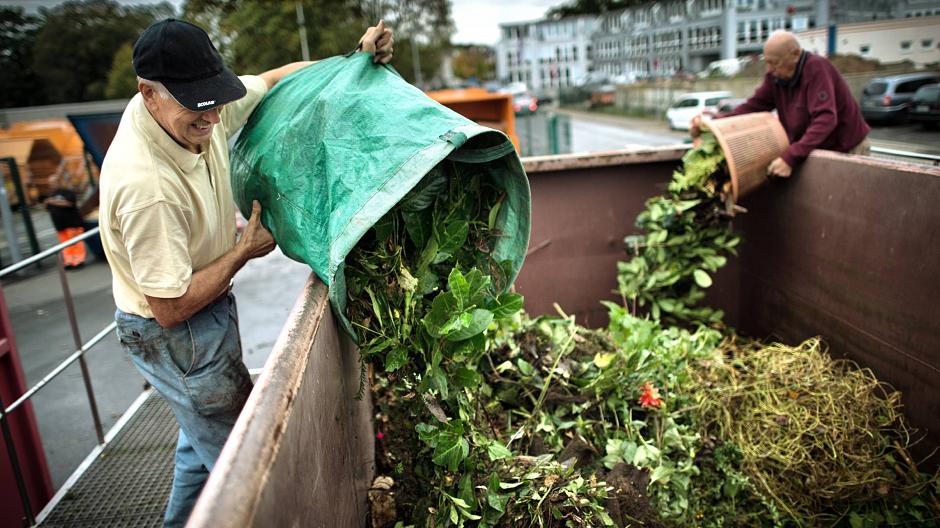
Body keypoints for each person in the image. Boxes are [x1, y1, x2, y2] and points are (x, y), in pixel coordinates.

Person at [97, 18, 393, 527]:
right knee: (244, 469)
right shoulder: (146, 186)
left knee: (201, 445)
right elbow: (169, 309)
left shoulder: (192, 106)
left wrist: (354, 57)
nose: (212, 117)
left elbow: (280, 79)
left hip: (203, 308)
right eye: (198, 105)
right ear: (149, 94)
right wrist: (243, 251)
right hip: (176, 334)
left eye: (215, 99)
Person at [691, 31, 870, 178]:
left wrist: (791, 157)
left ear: (795, 54)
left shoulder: (817, 69)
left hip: (847, 149)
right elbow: (753, 106)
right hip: (818, 150)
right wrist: (716, 123)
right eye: (767, 62)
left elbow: (826, 119)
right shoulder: (776, 76)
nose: (769, 69)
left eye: (774, 62)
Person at [44, 187, 87, 268]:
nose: (53, 184)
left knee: (76, 243)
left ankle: (79, 260)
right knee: (65, 245)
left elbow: (69, 203)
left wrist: (52, 201)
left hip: (72, 224)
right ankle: (69, 261)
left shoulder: (67, 192)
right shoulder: (51, 194)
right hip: (60, 225)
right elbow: (48, 207)